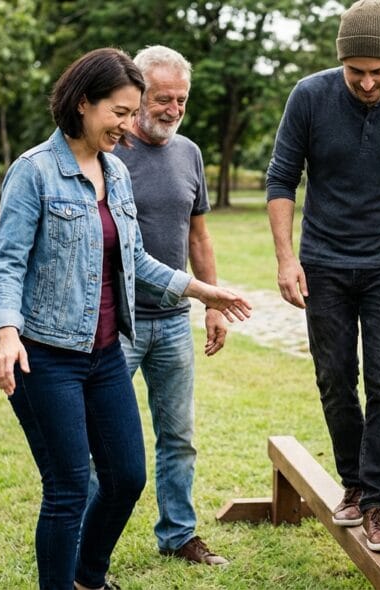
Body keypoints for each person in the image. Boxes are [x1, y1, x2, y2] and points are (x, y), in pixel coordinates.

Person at [0, 48, 250, 589]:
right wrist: (7, 333)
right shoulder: (34, 172)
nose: (128, 126)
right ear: (84, 104)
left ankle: (88, 578)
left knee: (126, 476)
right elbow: (7, 263)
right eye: (120, 113)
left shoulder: (115, 172)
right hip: (48, 356)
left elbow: (137, 258)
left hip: (106, 352)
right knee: (65, 488)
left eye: (133, 114)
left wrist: (202, 290)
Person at [265, 0, 380, 553]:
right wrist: (285, 258)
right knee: (333, 377)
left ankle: (378, 504)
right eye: (357, 72)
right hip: (322, 260)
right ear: (341, 63)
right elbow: (282, 178)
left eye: (379, 72)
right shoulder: (309, 95)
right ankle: (352, 480)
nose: (368, 83)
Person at [109, 45, 228, 566]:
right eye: (162, 99)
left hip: (174, 323)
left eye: (181, 99)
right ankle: (93, 546)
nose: (173, 109)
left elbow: (198, 236)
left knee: (178, 437)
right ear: (136, 96)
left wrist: (214, 304)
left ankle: (179, 535)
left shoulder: (189, 153)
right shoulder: (107, 151)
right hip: (115, 322)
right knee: (102, 443)